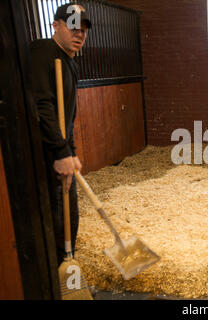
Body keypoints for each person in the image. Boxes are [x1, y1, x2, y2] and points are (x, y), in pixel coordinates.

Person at [30, 4, 91, 266]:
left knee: (70, 214)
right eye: (73, 27)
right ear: (55, 26)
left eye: (84, 29)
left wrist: (71, 151)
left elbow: (68, 114)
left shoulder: (70, 62)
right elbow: (42, 105)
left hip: (60, 150)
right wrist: (60, 151)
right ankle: (56, 279)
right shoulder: (43, 52)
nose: (79, 34)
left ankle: (68, 270)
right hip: (42, 153)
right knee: (55, 216)